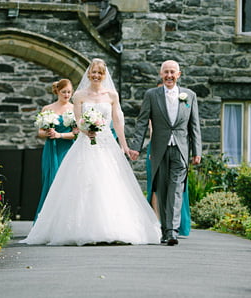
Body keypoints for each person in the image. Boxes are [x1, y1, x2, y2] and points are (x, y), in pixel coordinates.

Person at [21, 58, 161, 246]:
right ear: (89, 74)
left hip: (106, 143)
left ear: (104, 75)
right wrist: (86, 129)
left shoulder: (111, 95)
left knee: (109, 182)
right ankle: (80, 228)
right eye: (93, 72)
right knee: (83, 182)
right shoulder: (79, 96)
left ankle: (113, 227)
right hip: (85, 142)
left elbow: (118, 121)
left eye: (99, 73)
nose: (96, 76)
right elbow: (78, 121)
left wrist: (124, 145)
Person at [128, 60, 202, 246]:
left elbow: (194, 125)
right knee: (161, 189)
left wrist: (197, 151)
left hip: (181, 150)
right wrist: (136, 146)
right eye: (166, 72)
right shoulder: (152, 95)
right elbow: (142, 122)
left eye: (172, 72)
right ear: (161, 74)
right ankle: (163, 230)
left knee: (176, 189)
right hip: (159, 149)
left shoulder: (190, 96)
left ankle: (172, 231)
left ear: (179, 74)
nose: (169, 75)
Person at [34, 79, 77, 221]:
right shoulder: (47, 109)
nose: (66, 95)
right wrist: (48, 133)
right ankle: (48, 221)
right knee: (50, 181)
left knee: (67, 183)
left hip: (67, 149)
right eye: (64, 92)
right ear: (57, 91)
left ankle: (65, 220)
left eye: (69, 92)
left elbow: (76, 133)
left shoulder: (74, 108)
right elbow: (39, 132)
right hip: (51, 149)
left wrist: (60, 135)